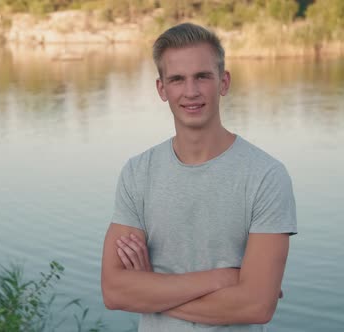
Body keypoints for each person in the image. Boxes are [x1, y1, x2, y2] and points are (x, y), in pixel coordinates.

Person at [100, 23, 297, 332]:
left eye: (202, 76)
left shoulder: (266, 176)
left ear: (224, 82)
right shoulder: (138, 173)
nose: (190, 92)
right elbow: (114, 292)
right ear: (162, 89)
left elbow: (257, 305)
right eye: (177, 79)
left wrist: (151, 289)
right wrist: (224, 279)